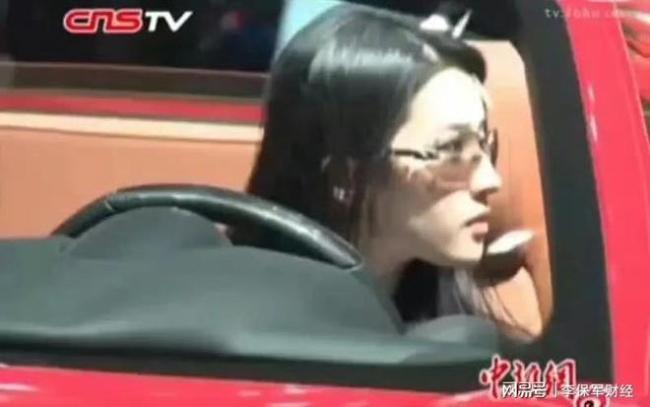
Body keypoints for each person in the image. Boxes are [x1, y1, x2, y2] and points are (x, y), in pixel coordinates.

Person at [238, 4, 542, 339]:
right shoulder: (246, 339)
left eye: (483, 144)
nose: (490, 180)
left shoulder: (474, 338)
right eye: (452, 150)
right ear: (344, 176)